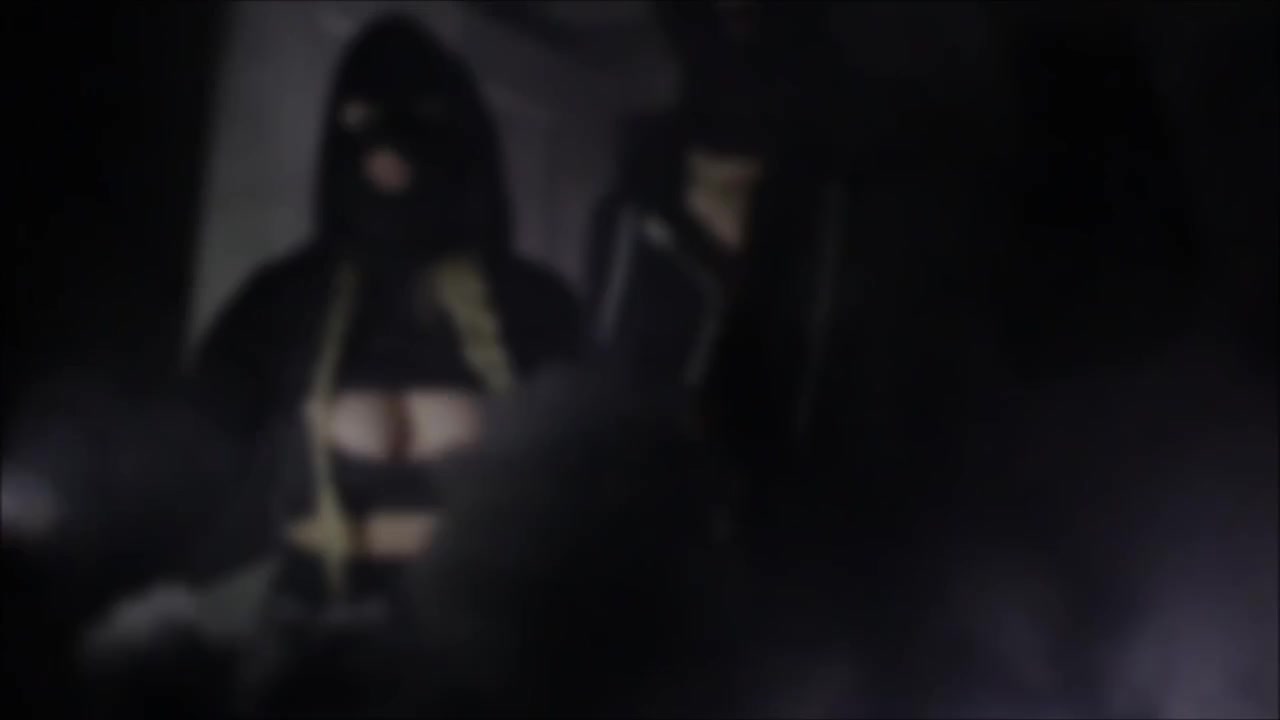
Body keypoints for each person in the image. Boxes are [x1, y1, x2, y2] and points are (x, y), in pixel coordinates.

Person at [4, 13, 580, 716]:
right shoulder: (289, 301)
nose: (385, 144)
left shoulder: (533, 308)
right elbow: (196, 439)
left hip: (485, 657)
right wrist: (59, 491)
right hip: (316, 651)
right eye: (360, 119)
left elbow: (602, 488)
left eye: (419, 117)